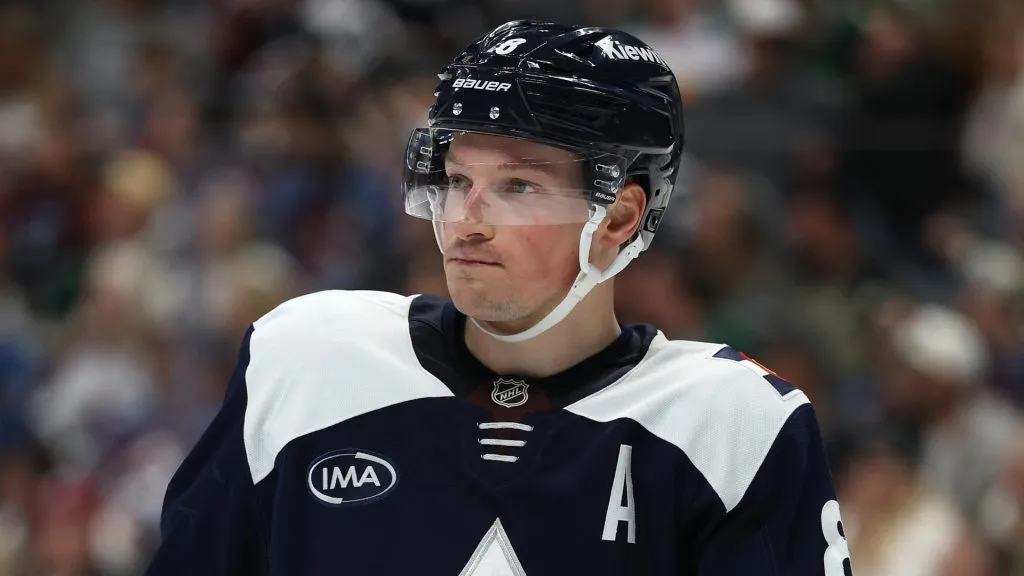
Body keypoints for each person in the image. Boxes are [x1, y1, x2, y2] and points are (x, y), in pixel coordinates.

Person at [145, 20, 852, 575]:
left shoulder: (735, 426)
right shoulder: (302, 358)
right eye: (457, 181)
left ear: (620, 217)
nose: (466, 220)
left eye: (518, 186)